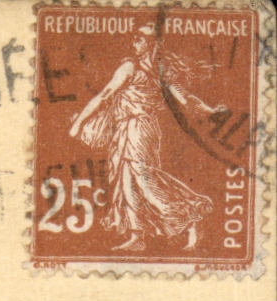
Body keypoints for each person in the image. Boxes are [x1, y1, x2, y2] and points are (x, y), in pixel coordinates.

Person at [68, 24, 216, 252]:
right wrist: (208, 108)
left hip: (139, 128)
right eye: (134, 39)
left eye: (138, 40)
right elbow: (107, 95)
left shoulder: (142, 68)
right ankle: (137, 236)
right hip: (129, 128)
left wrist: (78, 123)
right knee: (127, 180)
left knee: (144, 179)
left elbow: (184, 99)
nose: (134, 44)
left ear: (149, 43)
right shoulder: (147, 68)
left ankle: (191, 214)